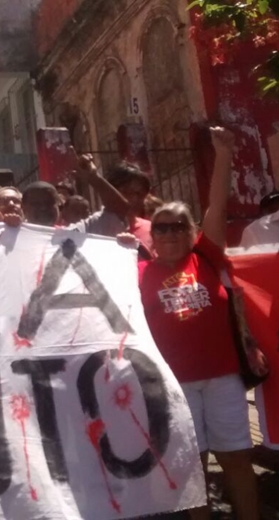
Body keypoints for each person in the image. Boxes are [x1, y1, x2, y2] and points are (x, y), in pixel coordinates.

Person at [139, 127, 262, 520]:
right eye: (162, 227)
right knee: (192, 467)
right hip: (175, 385)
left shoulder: (206, 256)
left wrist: (223, 154)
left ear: (192, 232)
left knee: (237, 461)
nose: (170, 233)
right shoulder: (136, 272)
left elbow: (217, 205)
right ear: (151, 236)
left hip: (223, 378)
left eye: (179, 226)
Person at [21, 152, 130, 235]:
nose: (43, 208)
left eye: (49, 203)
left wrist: (94, 177)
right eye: (36, 204)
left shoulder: (75, 233)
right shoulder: (10, 238)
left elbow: (120, 209)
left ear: (59, 207)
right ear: (24, 209)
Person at [106, 162, 154, 251]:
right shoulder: (94, 229)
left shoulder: (153, 230)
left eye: (139, 193)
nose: (134, 199)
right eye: (126, 192)